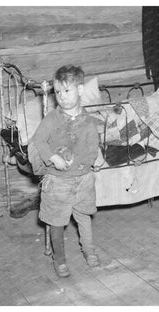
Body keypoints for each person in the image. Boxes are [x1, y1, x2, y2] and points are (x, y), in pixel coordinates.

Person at [29, 64, 101, 278]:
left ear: (80, 90)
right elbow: (39, 140)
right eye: (58, 92)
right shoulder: (52, 119)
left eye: (67, 91)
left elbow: (92, 147)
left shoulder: (88, 121)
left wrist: (83, 164)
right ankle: (59, 260)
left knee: (84, 217)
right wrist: (52, 157)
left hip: (82, 179)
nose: (61, 97)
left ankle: (89, 251)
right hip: (58, 180)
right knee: (56, 221)